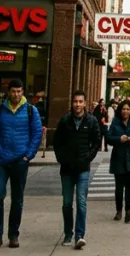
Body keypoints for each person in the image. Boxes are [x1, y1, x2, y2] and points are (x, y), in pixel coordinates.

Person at [0, 79, 43, 252]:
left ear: (23, 92)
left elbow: (37, 134)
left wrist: (27, 156)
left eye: (19, 91)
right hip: (1, 160)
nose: (16, 94)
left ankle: (13, 235)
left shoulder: (31, 110)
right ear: (8, 92)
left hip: (20, 161)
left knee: (17, 199)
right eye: (13, 91)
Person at [53, 90, 103, 249]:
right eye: (75, 101)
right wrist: (62, 158)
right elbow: (57, 142)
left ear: (85, 103)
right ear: (72, 103)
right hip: (67, 169)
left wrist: (87, 157)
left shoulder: (92, 121)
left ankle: (80, 235)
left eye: (81, 102)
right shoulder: (65, 121)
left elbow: (97, 141)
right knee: (67, 203)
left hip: (83, 168)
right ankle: (68, 233)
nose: (78, 105)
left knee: (81, 202)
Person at [106, 100, 130, 224]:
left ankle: (128, 211)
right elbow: (109, 138)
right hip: (118, 157)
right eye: (123, 109)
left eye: (127, 109)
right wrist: (119, 139)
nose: (125, 111)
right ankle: (118, 210)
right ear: (120, 110)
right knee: (118, 187)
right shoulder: (116, 122)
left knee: (129, 186)